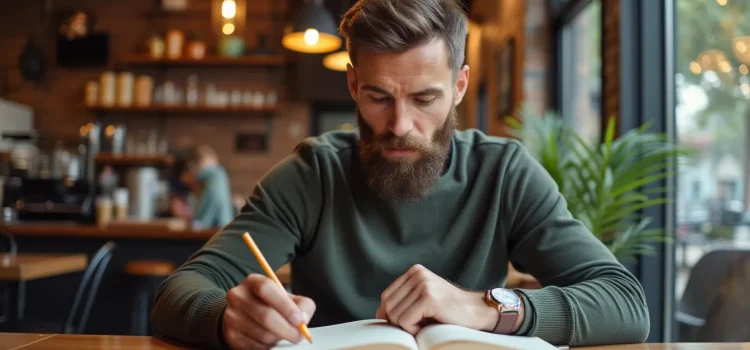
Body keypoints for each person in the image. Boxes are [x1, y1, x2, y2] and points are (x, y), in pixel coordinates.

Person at [151, 0, 650, 348]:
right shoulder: (312, 173)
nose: (399, 126)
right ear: (352, 84)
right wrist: (225, 320)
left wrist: (487, 308)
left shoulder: (505, 173)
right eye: (378, 97)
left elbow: (626, 303)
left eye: (425, 99)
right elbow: (180, 290)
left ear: (459, 86)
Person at [173, 144, 234, 229]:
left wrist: (194, 224)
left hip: (216, 233)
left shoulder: (214, 175)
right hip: (221, 231)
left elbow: (203, 221)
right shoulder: (217, 176)